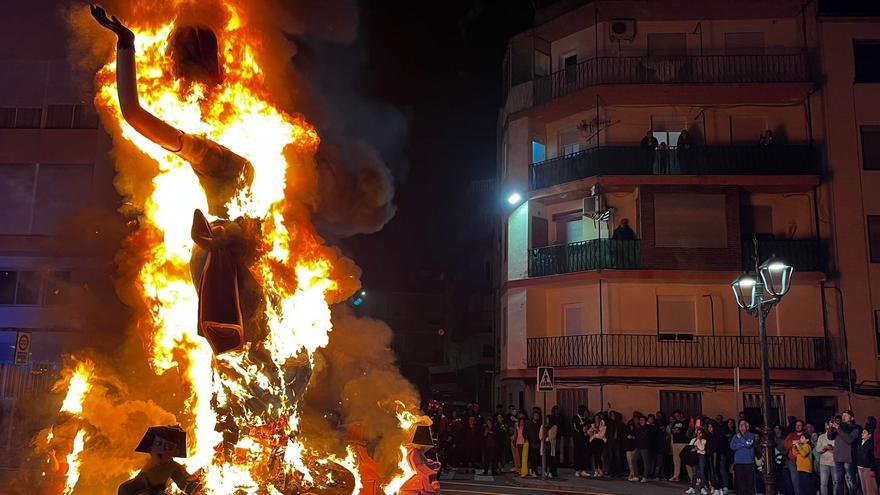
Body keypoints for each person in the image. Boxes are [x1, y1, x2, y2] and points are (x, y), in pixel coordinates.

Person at [117, 425, 201, 495]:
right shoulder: (145, 462)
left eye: (168, 447)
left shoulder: (173, 466)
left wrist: (193, 485)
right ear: (151, 447)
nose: (162, 449)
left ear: (175, 451)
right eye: (158, 444)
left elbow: (188, 484)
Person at [828, 410, 862, 495]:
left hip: (848, 458)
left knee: (851, 482)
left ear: (852, 417)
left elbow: (849, 439)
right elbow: (830, 437)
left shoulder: (856, 428)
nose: (843, 417)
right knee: (838, 481)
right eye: (843, 415)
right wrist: (831, 427)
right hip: (838, 458)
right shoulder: (840, 426)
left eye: (846, 415)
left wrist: (838, 428)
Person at [731, 420, 757, 495]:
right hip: (738, 462)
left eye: (743, 425)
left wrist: (740, 440)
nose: (741, 426)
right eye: (740, 425)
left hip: (749, 462)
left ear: (747, 427)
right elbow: (732, 446)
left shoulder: (751, 435)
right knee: (740, 483)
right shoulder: (735, 436)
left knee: (750, 483)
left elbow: (749, 444)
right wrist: (743, 444)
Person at [784, 420, 807, 495]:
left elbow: (807, 444)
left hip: (803, 461)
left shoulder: (805, 435)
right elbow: (786, 444)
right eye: (796, 425)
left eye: (799, 425)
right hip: (793, 461)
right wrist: (797, 442)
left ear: (803, 426)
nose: (797, 426)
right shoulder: (791, 434)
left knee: (804, 481)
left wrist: (795, 442)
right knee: (795, 481)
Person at [816, 420, 837, 495]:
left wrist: (832, 449)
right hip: (824, 463)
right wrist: (824, 448)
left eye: (829, 426)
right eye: (826, 426)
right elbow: (818, 449)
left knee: (836, 482)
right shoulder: (821, 437)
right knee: (823, 483)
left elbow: (839, 449)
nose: (827, 427)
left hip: (834, 462)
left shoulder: (836, 436)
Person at [686, 427, 708, 495]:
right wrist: (695, 447)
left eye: (700, 433)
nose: (699, 434)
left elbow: (702, 448)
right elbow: (689, 447)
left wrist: (698, 443)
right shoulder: (693, 440)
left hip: (701, 456)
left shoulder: (704, 440)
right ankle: (693, 487)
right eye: (697, 433)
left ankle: (702, 487)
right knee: (694, 472)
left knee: (701, 471)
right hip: (694, 457)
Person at [669, 410, 689, 482]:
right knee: (676, 460)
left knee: (687, 459)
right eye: (675, 416)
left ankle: (692, 476)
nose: (677, 417)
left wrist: (677, 431)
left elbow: (683, 431)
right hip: (675, 442)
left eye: (678, 415)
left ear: (681, 414)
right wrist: (675, 431)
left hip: (683, 442)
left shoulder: (686, 421)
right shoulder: (675, 422)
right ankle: (676, 475)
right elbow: (672, 430)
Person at [635, 415, 656, 483]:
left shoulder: (648, 428)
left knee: (645, 462)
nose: (641, 421)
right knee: (633, 459)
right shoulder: (639, 428)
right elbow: (637, 436)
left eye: (642, 420)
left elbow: (643, 437)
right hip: (638, 446)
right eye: (640, 420)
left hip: (645, 447)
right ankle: (636, 475)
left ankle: (645, 476)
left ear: (645, 421)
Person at [857, 427, 877, 495]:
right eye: (862, 432)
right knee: (864, 488)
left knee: (870, 488)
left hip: (867, 468)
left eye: (864, 432)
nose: (862, 433)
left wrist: (872, 469)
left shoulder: (871, 444)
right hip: (860, 467)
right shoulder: (860, 442)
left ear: (869, 435)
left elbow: (872, 458)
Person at [573, 405, 590, 477]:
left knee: (584, 454)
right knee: (577, 454)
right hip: (577, 439)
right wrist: (582, 429)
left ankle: (583, 470)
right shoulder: (575, 418)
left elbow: (588, 425)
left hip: (584, 439)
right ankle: (577, 470)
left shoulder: (585, 419)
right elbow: (576, 428)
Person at [526, 411, 542, 477]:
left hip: (538, 443)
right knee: (532, 458)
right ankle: (532, 471)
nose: (536, 417)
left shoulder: (539, 424)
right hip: (531, 443)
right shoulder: (529, 424)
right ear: (532, 416)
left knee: (537, 458)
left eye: (537, 415)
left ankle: (536, 470)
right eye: (535, 415)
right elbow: (527, 433)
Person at [626, 415, 639, 481]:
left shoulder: (639, 428)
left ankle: (634, 474)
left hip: (635, 446)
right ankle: (632, 473)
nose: (635, 421)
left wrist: (633, 437)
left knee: (633, 460)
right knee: (629, 460)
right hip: (629, 446)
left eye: (637, 420)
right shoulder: (630, 426)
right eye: (634, 420)